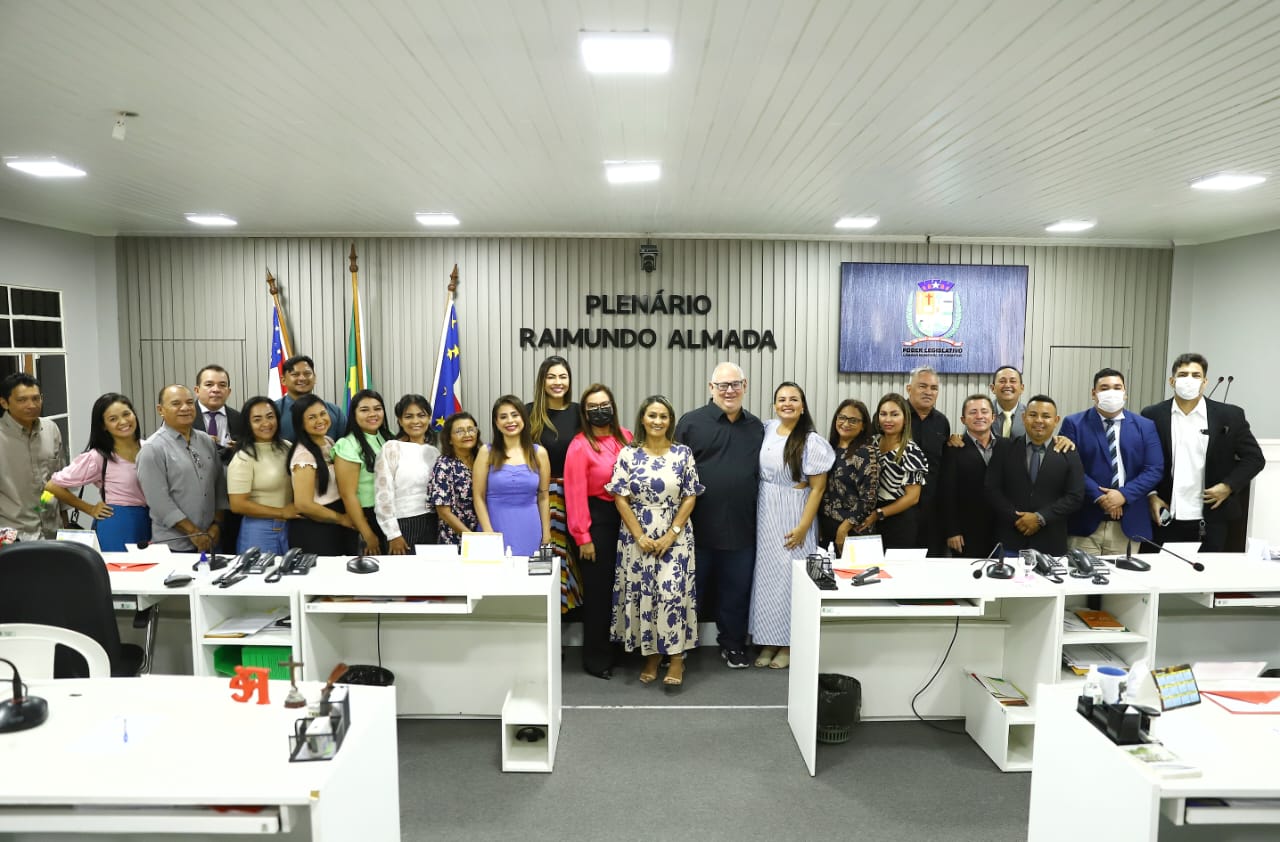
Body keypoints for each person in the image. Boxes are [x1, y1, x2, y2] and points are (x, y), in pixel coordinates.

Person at [674, 361, 764, 670]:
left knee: (736, 593)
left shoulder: (757, 428)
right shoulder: (691, 423)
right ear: (711, 388)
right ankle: (680, 645)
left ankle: (733, 645)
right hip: (697, 529)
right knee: (689, 591)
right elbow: (675, 475)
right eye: (722, 385)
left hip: (742, 528)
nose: (729, 390)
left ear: (745, 385)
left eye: (735, 384)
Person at [609, 395, 703, 687]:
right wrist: (639, 535)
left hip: (675, 534)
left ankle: (676, 658)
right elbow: (620, 498)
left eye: (663, 416)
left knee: (672, 592)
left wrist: (671, 534)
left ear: (670, 421)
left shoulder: (683, 453)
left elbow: (690, 495)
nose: (658, 421)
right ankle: (651, 654)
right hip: (637, 535)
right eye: (652, 415)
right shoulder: (628, 454)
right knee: (645, 594)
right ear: (642, 419)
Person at [1141, 353, 1265, 552]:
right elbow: (1142, 460)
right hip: (1164, 516)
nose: (1189, 380)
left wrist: (1228, 486)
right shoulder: (1152, 415)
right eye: (1183, 374)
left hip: (1211, 518)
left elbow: (1254, 458)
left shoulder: (1230, 415)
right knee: (1162, 577)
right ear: (1172, 381)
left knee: (1207, 578)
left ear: (1205, 382)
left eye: (1195, 375)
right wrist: (1151, 495)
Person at [751, 382, 833, 670]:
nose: (787, 403)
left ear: (802, 405)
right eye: (781, 399)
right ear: (775, 405)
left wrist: (803, 527)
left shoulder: (811, 441)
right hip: (766, 509)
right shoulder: (768, 429)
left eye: (793, 399)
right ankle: (769, 639)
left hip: (795, 512)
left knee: (790, 580)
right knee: (767, 577)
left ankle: (788, 643)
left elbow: (818, 489)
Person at [563, 384, 632, 679]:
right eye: (592, 407)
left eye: (603, 404)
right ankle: (597, 658)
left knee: (623, 589)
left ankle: (622, 651)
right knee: (599, 594)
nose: (599, 410)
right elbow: (574, 493)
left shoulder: (626, 437)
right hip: (597, 520)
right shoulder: (579, 445)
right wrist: (583, 537)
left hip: (627, 519)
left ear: (613, 407)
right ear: (585, 412)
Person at [1059, 368, 1164, 556]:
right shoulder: (1073, 423)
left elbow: (1154, 469)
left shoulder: (1145, 426)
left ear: (1125, 393)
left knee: (1123, 583)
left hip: (1128, 524)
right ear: (1094, 393)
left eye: (1117, 387)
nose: (1111, 392)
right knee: (1083, 581)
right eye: (1104, 388)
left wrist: (1122, 495)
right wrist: (1101, 497)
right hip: (1085, 522)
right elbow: (1070, 468)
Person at [45, 392, 150, 551]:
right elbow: (52, 485)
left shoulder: (150, 448)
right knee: (119, 574)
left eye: (126, 414)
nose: (123, 421)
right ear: (103, 426)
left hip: (152, 521)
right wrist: (90, 508)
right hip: (118, 524)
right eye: (113, 419)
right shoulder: (98, 457)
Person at [985, 395, 1085, 555]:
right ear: (1024, 418)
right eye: (1033, 415)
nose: (1039, 420)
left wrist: (1040, 518)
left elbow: (1075, 496)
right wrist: (1017, 518)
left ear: (1056, 420)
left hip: (1051, 543)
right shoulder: (1004, 448)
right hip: (1010, 540)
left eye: (1046, 416)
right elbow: (992, 489)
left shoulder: (1069, 452)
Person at [136, 384, 227, 552]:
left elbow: (219, 487)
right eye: (176, 403)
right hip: (174, 545)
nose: (185, 408)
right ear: (160, 410)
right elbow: (159, 502)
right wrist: (194, 533)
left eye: (190, 402)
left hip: (211, 539)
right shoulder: (153, 448)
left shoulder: (206, 441)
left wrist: (217, 525)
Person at [526, 356, 584, 614]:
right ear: (542, 381)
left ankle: (571, 622)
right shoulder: (528, 412)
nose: (557, 382)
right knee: (548, 557)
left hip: (576, 496)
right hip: (539, 497)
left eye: (562, 377)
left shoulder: (579, 412)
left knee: (576, 562)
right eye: (551, 377)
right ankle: (548, 621)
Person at [474, 396, 550, 556]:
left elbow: (543, 496)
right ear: (496, 422)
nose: (510, 421)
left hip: (530, 527)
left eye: (515, 415)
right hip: (494, 526)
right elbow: (478, 496)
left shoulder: (539, 453)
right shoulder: (486, 452)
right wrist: (488, 533)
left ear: (523, 417)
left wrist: (546, 533)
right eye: (503, 417)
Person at [287, 394, 357, 554]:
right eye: (312, 417)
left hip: (336, 521)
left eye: (322, 413)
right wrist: (341, 519)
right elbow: (303, 504)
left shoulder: (329, 442)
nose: (320, 420)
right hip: (316, 527)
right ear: (301, 423)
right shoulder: (304, 455)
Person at [226, 396, 296, 555]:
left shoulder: (287, 447)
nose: (266, 423)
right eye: (257, 419)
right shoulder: (243, 456)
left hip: (289, 527)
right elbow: (238, 505)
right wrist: (282, 512)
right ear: (248, 424)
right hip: (259, 531)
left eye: (270, 417)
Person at [0, 372, 65, 540]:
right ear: (4, 402)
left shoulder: (51, 429)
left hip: (53, 532)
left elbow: (61, 480)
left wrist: (64, 528)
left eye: (36, 398)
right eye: (22, 400)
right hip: (13, 537)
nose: (31, 405)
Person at [373, 394, 441, 554]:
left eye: (421, 415)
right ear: (400, 420)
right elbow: (383, 494)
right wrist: (393, 534)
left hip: (433, 522)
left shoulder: (434, 452)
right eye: (409, 416)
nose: (416, 421)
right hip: (403, 524)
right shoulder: (391, 448)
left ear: (429, 418)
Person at [866, 393, 929, 549]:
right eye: (883, 414)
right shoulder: (871, 443)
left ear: (905, 419)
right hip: (871, 519)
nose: (888, 420)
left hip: (899, 521)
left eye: (894, 414)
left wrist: (879, 513)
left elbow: (912, 498)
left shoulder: (912, 451)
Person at [333, 389, 392, 554]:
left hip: (390, 515)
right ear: (354, 414)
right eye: (364, 410)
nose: (372, 414)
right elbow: (348, 494)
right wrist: (366, 533)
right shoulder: (347, 445)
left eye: (377, 408)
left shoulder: (389, 437)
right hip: (366, 517)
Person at [818, 399, 880, 555]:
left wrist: (844, 528)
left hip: (852, 532)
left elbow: (869, 498)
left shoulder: (866, 453)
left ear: (863, 425)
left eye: (853, 420)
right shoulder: (829, 448)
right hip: (826, 528)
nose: (845, 423)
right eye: (842, 418)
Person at [943, 394, 999, 559]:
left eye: (984, 411)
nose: (979, 416)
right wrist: (952, 531)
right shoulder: (952, 449)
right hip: (965, 534)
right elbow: (947, 493)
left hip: (1000, 531)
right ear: (963, 419)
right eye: (973, 412)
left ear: (993, 417)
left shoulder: (1006, 446)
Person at [905, 366, 951, 556]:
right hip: (900, 510)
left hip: (933, 512)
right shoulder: (894, 417)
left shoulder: (942, 422)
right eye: (922, 386)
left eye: (933, 388)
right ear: (909, 389)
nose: (928, 392)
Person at [430, 411, 482, 544]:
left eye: (471, 429)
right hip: (455, 538)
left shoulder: (482, 459)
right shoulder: (444, 465)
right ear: (449, 439)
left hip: (485, 532)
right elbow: (443, 512)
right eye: (459, 431)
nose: (467, 434)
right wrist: (470, 537)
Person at [275, 355, 345, 442]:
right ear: (283, 380)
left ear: (315, 377)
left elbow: (345, 447)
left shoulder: (334, 411)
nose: (302, 378)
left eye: (307, 374)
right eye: (295, 374)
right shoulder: (273, 412)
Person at [192, 364, 241, 451]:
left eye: (222, 385)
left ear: (228, 392)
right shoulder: (183, 416)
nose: (216, 390)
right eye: (209, 384)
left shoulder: (239, 419)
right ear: (197, 390)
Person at [991, 366, 1027, 439]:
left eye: (1013, 381)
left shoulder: (1030, 415)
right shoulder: (981, 413)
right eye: (1002, 381)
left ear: (1022, 388)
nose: (1007, 385)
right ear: (993, 388)